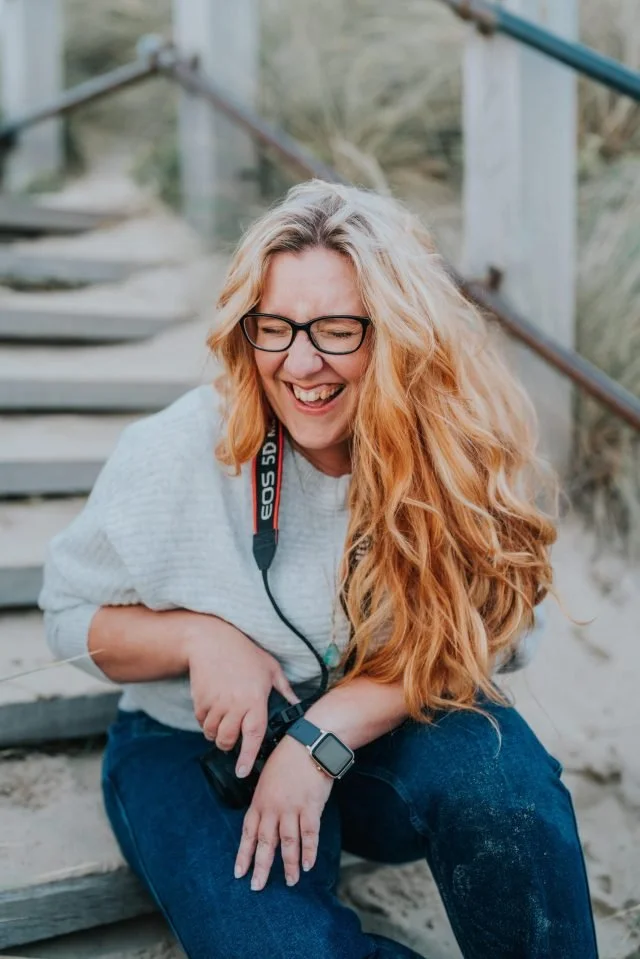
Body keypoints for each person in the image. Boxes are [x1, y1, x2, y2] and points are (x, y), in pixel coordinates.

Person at [39, 180, 598, 959]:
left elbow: (500, 630)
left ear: (399, 333)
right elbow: (68, 615)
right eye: (275, 327)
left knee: (507, 787)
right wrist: (199, 639)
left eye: (337, 329)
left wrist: (327, 730)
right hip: (194, 746)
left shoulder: (452, 450)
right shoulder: (172, 451)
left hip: (377, 740)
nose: (301, 363)